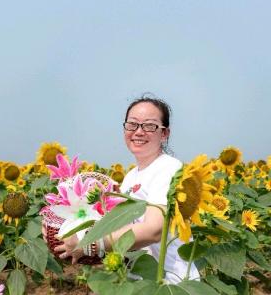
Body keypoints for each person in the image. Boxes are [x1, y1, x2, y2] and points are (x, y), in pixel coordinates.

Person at [52, 95, 199, 284]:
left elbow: (153, 230)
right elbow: (119, 227)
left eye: (149, 126)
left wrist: (90, 243)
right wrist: (66, 225)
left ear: (164, 133)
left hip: (173, 282)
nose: (138, 131)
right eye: (132, 124)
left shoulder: (169, 168)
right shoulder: (131, 177)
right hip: (141, 279)